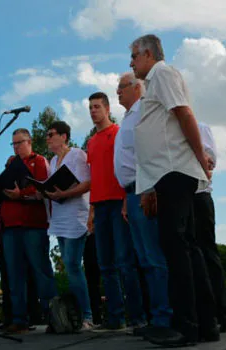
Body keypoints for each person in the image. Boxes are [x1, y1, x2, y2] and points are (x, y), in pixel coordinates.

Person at [130, 34, 218, 346]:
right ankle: (205, 324)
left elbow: (185, 114)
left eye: (134, 56)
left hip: (176, 172)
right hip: (167, 174)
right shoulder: (153, 83)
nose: (131, 62)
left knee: (178, 249)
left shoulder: (163, 73)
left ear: (149, 54)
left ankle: (186, 326)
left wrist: (199, 157)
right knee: (187, 249)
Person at [113, 72, 172, 336]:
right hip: (132, 192)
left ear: (137, 88)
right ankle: (155, 316)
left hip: (145, 189)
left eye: (121, 87)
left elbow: (147, 153)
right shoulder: (129, 116)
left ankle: (165, 318)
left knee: (153, 257)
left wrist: (149, 189)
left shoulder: (144, 111)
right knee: (144, 260)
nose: (118, 92)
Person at [86, 92, 145, 331]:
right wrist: (90, 210)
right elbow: (93, 177)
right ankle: (115, 317)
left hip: (117, 202)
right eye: (90, 107)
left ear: (108, 109)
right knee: (105, 264)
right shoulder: (91, 141)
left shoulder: (119, 133)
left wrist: (125, 201)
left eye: (97, 106)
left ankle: (137, 316)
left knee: (125, 262)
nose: (92, 111)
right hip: (99, 207)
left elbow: (126, 167)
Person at [0, 128, 57, 334]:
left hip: (33, 225)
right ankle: (19, 319)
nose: (16, 147)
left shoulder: (39, 161)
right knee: (14, 275)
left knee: (41, 270)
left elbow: (43, 188)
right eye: (13, 144)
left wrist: (21, 194)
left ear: (29, 142)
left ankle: (53, 317)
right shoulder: (11, 165)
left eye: (19, 143)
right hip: (11, 226)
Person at [45, 121, 93, 331]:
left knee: (73, 264)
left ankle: (87, 315)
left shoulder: (77, 155)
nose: (47, 138)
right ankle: (76, 315)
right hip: (60, 217)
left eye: (51, 134)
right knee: (67, 265)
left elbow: (86, 183)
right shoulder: (53, 160)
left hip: (76, 216)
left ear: (64, 136)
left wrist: (63, 194)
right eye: (46, 135)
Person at [195, 122, 226, 331]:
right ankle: (202, 313)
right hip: (181, 200)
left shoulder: (200, 127)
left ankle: (221, 312)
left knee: (208, 253)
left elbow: (210, 162)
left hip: (200, 195)